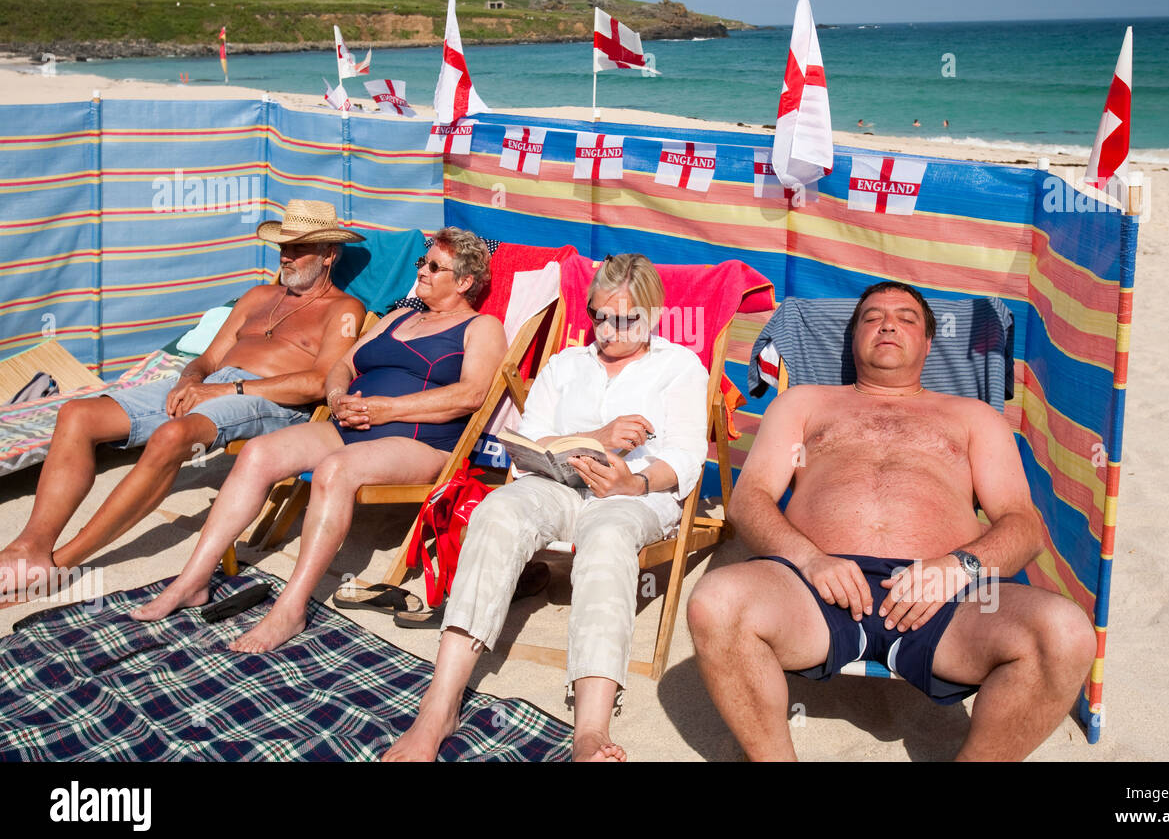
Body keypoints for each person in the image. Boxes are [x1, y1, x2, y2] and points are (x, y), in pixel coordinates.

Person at [686, 281, 1096, 761]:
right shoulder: (803, 404)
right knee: (715, 601)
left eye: (907, 318)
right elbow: (749, 500)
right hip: (811, 588)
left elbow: (1022, 525)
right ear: (853, 336)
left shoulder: (974, 417)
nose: (887, 324)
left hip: (947, 595)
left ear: (928, 341)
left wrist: (957, 569)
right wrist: (810, 560)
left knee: (1065, 633)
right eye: (872, 317)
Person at [384, 253, 708, 762]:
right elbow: (528, 440)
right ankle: (439, 705)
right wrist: (594, 439)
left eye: (626, 318)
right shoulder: (566, 364)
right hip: (556, 482)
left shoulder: (679, 366)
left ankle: (590, 731)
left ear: (655, 315)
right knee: (497, 512)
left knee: (606, 538)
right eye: (599, 315)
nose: (609, 329)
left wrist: (634, 480)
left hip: (634, 495)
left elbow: (687, 457)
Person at [131, 227, 508, 652]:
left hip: (420, 438)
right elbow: (343, 365)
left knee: (334, 471)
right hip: (350, 423)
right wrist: (337, 396)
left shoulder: (481, 327)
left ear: (463, 282)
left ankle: (291, 608)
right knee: (257, 454)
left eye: (434, 266)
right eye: (423, 262)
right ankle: (192, 581)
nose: (421, 270)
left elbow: (472, 393)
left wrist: (389, 409)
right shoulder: (398, 317)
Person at [0, 200, 365, 602]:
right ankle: (31, 546)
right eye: (284, 246)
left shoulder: (345, 309)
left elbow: (318, 382)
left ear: (329, 254)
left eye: (299, 248)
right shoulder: (258, 295)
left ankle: (62, 561)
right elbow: (207, 359)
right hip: (216, 386)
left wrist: (224, 390)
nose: (286, 256)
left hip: (271, 398)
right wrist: (189, 380)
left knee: (174, 435)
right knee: (77, 414)